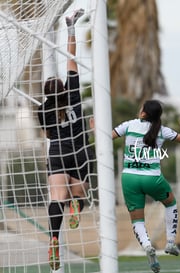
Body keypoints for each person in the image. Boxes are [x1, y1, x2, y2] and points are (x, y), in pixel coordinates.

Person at [37, 9, 93, 270]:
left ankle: (54, 238)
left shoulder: (43, 109)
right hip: (79, 151)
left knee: (56, 198)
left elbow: (46, 134)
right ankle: (76, 206)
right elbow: (71, 58)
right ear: (61, 85)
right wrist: (71, 28)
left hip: (57, 153)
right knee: (78, 194)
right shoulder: (72, 94)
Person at [112, 100, 180, 273]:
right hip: (152, 178)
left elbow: (107, 136)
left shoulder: (130, 125)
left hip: (129, 178)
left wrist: (96, 128)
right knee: (170, 203)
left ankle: (148, 246)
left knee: (137, 219)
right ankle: (170, 242)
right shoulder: (163, 131)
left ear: (143, 113)